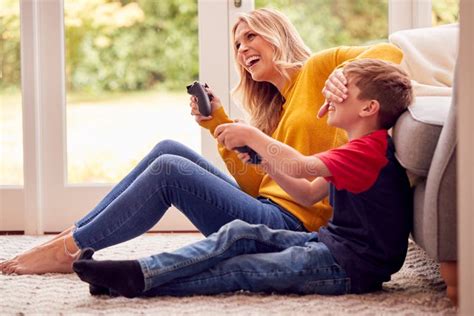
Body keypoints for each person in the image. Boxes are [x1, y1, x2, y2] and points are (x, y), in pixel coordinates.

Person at [0, 8, 403, 275]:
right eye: (238, 45)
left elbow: (391, 52)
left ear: (276, 35)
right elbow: (254, 188)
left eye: (251, 37)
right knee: (168, 150)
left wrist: (345, 74)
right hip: (270, 209)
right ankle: (77, 236)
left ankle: (68, 249)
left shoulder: (320, 70)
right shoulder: (275, 112)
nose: (243, 49)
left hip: (296, 225)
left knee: (170, 172)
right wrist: (220, 127)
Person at [72, 58, 414, 298]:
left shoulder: (367, 150)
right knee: (238, 234)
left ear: (369, 108)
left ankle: (137, 278)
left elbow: (299, 167)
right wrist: (266, 161)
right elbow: (308, 193)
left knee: (242, 270)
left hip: (349, 267)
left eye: (342, 90)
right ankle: (132, 274)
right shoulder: (359, 147)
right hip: (330, 246)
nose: (329, 95)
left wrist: (252, 135)